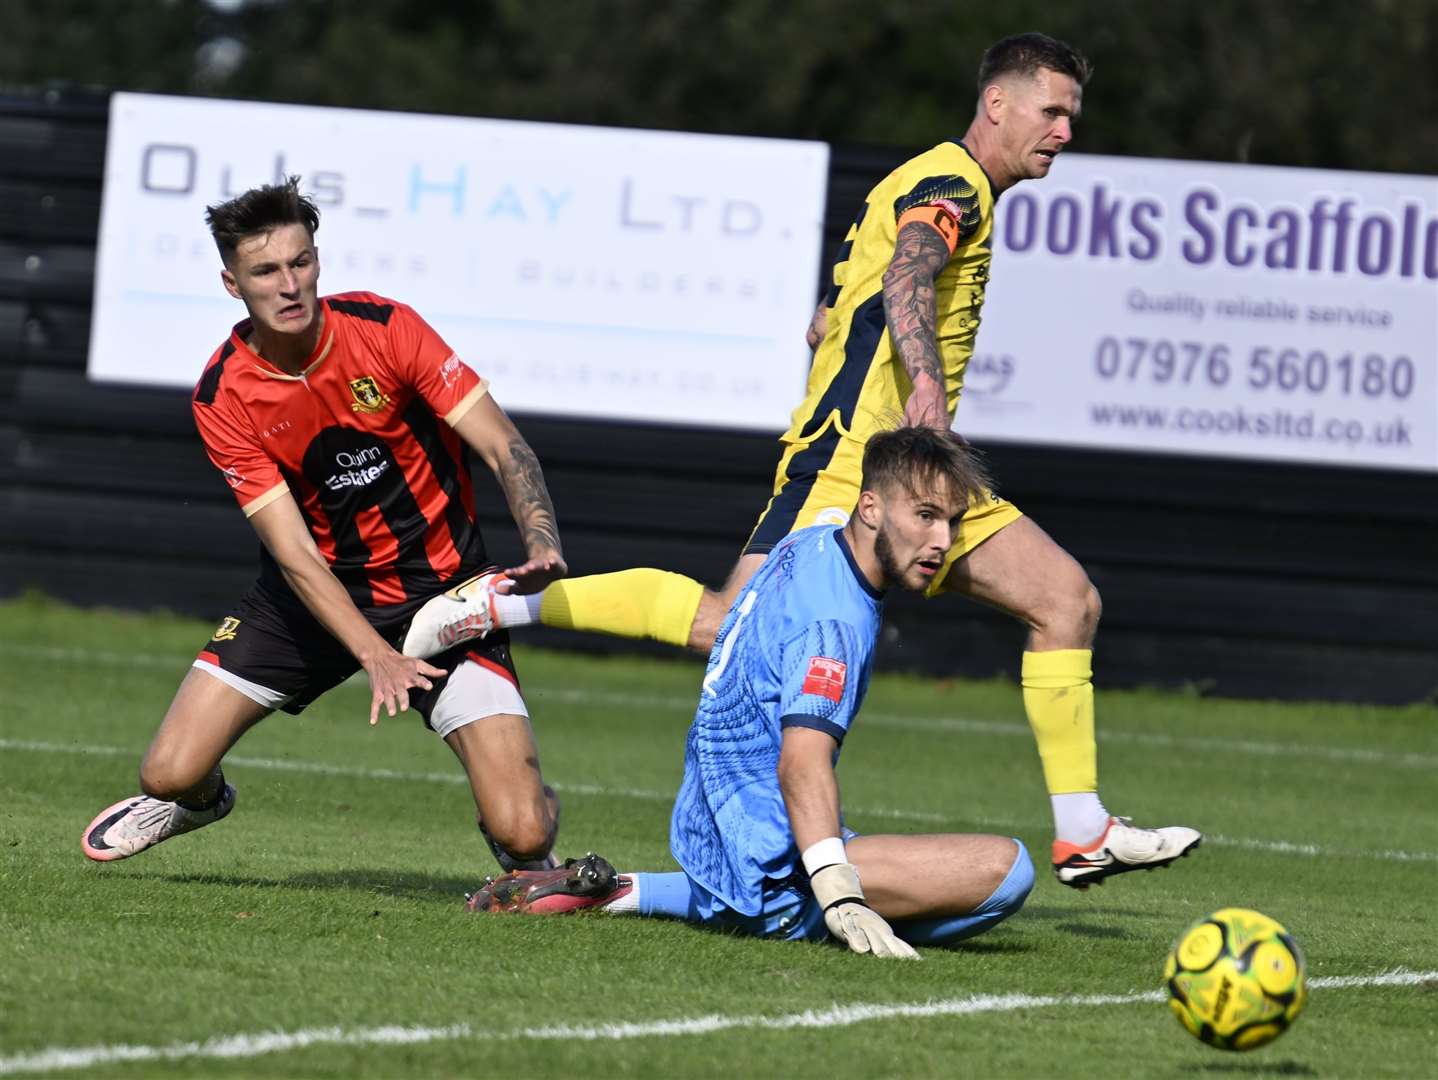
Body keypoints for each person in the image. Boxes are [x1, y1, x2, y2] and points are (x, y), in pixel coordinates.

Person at [403, 33, 1200, 889]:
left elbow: (831, 313)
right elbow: (908, 274)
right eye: (1052, 112)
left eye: (1072, 116)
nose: (1064, 132)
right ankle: (502, 605)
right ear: (997, 104)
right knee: (721, 626)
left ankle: (1082, 829)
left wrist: (847, 341)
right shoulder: (953, 181)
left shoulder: (925, 180)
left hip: (912, 477)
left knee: (1065, 600)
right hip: (854, 470)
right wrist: (925, 390)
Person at [81, 178, 577, 875]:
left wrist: (541, 538)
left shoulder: (386, 327)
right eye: (266, 271)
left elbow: (504, 445)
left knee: (525, 835)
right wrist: (375, 653)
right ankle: (204, 802)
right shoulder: (224, 394)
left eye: (301, 262)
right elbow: (294, 555)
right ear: (232, 284)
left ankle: (526, 813)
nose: (290, 285)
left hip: (444, 596)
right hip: (307, 603)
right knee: (166, 773)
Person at [465, 428, 1036, 958]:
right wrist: (836, 887)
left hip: (708, 812)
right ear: (871, 507)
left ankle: (623, 891)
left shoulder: (811, 543)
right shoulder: (834, 627)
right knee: (1009, 873)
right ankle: (794, 914)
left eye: (952, 522)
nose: (943, 541)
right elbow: (800, 764)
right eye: (926, 516)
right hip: (767, 849)